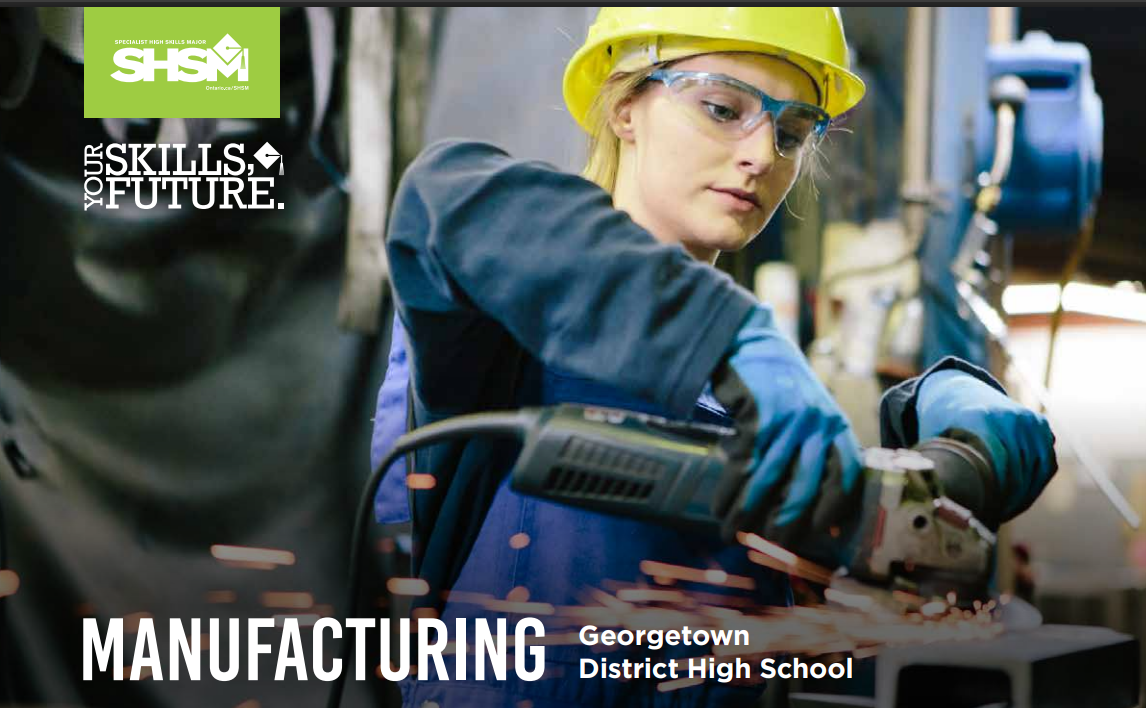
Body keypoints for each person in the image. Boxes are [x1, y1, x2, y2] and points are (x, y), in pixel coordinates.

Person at [371, 8, 1057, 707]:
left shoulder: (757, 397)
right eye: (723, 108)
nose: (763, 155)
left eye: (792, 132)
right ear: (624, 105)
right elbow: (442, 195)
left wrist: (954, 436)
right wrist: (729, 333)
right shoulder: (506, 319)